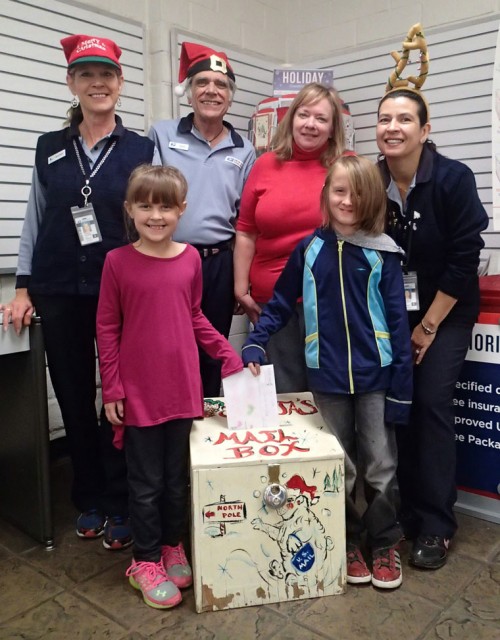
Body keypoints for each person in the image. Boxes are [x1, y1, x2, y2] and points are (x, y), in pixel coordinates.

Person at [0, 34, 158, 549]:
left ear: (120, 83)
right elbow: (34, 221)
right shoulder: (49, 148)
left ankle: (119, 498)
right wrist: (23, 287)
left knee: (119, 395)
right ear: (71, 82)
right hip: (58, 289)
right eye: (86, 74)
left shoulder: (140, 148)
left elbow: (149, 222)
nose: (98, 82)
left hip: (120, 290)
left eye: (106, 74)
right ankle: (88, 496)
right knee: (71, 393)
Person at [242, 155, 413, 589]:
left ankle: (384, 541)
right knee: (342, 467)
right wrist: (258, 339)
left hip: (376, 377)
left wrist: (401, 389)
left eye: (357, 192)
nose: (348, 200)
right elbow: (281, 302)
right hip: (327, 377)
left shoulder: (384, 253)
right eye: (339, 191)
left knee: (379, 465)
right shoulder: (309, 249)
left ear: (371, 197)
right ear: (326, 195)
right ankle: (349, 539)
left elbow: (397, 323)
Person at [96, 164, 243, 609]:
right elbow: (107, 328)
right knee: (146, 483)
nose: (155, 215)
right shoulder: (117, 263)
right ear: (130, 210)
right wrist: (113, 389)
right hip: (139, 395)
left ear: (181, 209)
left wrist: (227, 353)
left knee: (178, 480)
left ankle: (171, 545)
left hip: (183, 390)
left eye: (165, 206)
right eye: (145, 206)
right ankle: (144, 559)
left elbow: (195, 314)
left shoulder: (191, 258)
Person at [376, 88, 489, 569]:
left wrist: (427, 326)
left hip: (447, 308)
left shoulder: (452, 178)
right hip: (392, 312)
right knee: (392, 406)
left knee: (430, 403)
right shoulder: (371, 178)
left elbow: (465, 258)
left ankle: (438, 524)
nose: (393, 127)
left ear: (425, 131)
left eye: (405, 119)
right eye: (385, 119)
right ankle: (402, 510)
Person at [148, 42, 255, 398]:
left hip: (218, 265)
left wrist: (242, 281)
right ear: (189, 92)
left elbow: (245, 222)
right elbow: (145, 200)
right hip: (168, 261)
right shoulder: (162, 135)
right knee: (166, 350)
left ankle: (204, 431)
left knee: (213, 351)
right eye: (202, 82)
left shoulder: (245, 149)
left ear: (230, 97)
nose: (211, 90)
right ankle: (173, 432)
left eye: (221, 84)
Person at [234, 83, 352, 393]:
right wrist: (240, 287)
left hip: (330, 299)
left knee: (330, 397)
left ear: (332, 128)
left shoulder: (346, 167)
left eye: (321, 118)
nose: (311, 124)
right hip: (270, 302)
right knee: (283, 396)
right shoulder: (264, 165)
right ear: (291, 118)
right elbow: (246, 230)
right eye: (304, 114)